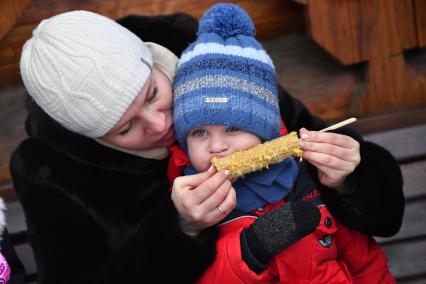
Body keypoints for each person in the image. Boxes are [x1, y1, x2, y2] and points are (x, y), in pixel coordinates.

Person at [10, 7, 403, 284]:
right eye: (126, 128)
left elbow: (383, 218)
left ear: (151, 62)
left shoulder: (212, 63)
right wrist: (178, 230)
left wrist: (352, 177)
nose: (161, 123)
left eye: (152, 94)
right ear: (95, 137)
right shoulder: (48, 171)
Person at [169, 4, 396, 283]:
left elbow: (366, 264)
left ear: (265, 130)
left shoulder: (306, 177)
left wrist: (345, 183)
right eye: (199, 133)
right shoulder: (189, 204)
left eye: (233, 128)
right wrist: (248, 251)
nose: (217, 146)